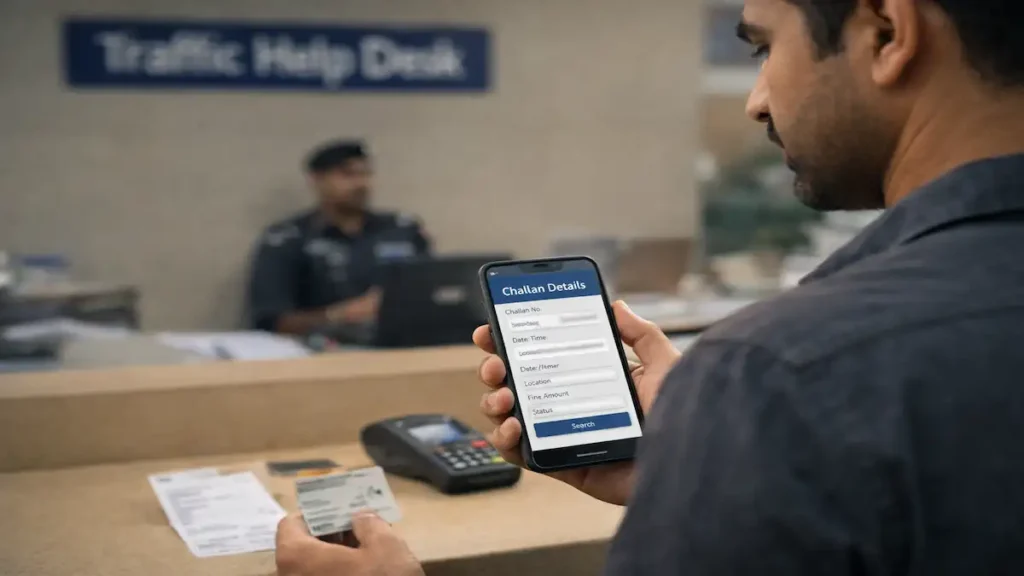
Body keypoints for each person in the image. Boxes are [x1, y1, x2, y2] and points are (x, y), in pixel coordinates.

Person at [275, 0, 1024, 573]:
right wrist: (721, 469)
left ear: (887, 32)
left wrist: (743, 424)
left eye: (764, 47)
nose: (755, 100)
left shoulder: (780, 375)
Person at [245, 140, 430, 338]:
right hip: (321, 350)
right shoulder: (287, 239)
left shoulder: (401, 229)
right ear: (317, 180)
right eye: (347, 175)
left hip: (405, 342)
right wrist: (340, 314)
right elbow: (271, 320)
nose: (360, 183)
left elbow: (433, 292)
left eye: (365, 174)